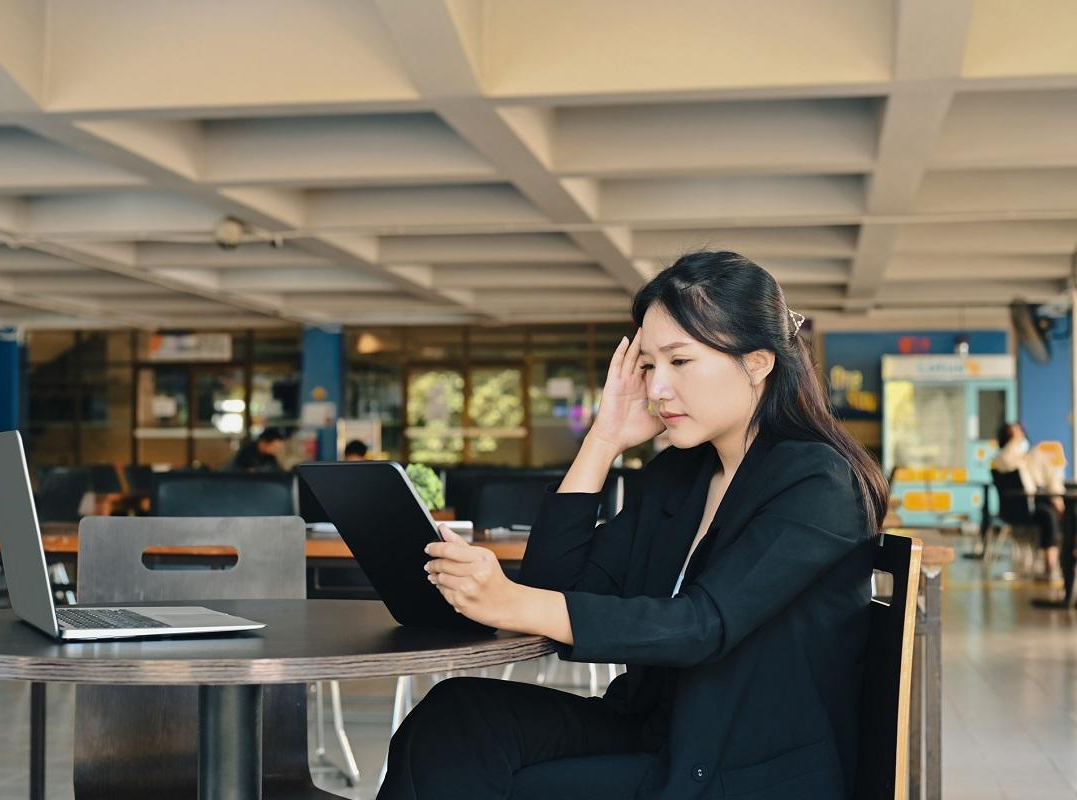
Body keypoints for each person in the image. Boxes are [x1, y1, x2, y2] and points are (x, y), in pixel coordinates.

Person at [378, 251, 886, 800]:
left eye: (680, 361)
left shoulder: (817, 481)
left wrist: (510, 602)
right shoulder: (681, 474)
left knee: (491, 778)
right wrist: (604, 440)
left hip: (740, 769)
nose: (657, 388)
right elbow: (558, 585)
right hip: (653, 729)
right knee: (456, 716)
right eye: (648, 365)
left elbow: (702, 625)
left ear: (759, 362)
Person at [992, 421, 1064, 581]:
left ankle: (1068, 559)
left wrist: (1057, 497)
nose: (1020, 436)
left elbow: (1051, 477)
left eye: (1020, 432)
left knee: (1066, 512)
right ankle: (1049, 567)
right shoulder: (1003, 458)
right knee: (1047, 516)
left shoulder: (1032, 456)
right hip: (1020, 508)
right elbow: (1007, 459)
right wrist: (1015, 442)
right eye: (1014, 434)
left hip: (1040, 500)